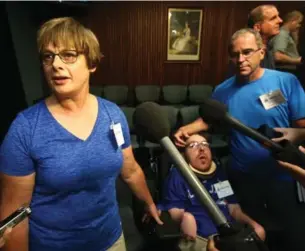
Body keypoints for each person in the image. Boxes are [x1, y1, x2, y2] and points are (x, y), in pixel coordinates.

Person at [0, 17, 162, 251]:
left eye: (68, 55)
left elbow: (131, 169)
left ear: (92, 63)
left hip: (111, 240)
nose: (55, 64)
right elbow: (15, 216)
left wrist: (148, 202)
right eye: (48, 56)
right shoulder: (25, 129)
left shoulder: (112, 115)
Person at [174, 28, 305, 251]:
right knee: (252, 241)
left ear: (262, 52)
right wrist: (189, 128)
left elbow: (303, 127)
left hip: (283, 179)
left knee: (292, 240)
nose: (240, 59)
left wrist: (296, 134)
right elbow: (209, 120)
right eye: (235, 54)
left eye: (247, 52)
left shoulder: (286, 82)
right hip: (243, 181)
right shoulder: (223, 90)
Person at [159, 133, 265, 251]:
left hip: (228, 236)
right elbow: (174, 211)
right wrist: (185, 217)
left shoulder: (219, 174)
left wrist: (253, 224)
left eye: (205, 144)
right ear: (184, 155)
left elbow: (233, 208)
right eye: (193, 145)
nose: (201, 148)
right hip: (200, 238)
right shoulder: (177, 176)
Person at [226, 5, 282, 77]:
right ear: (258, 27)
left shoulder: (267, 48)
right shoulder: (242, 51)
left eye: (278, 16)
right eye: (273, 18)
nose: (280, 20)